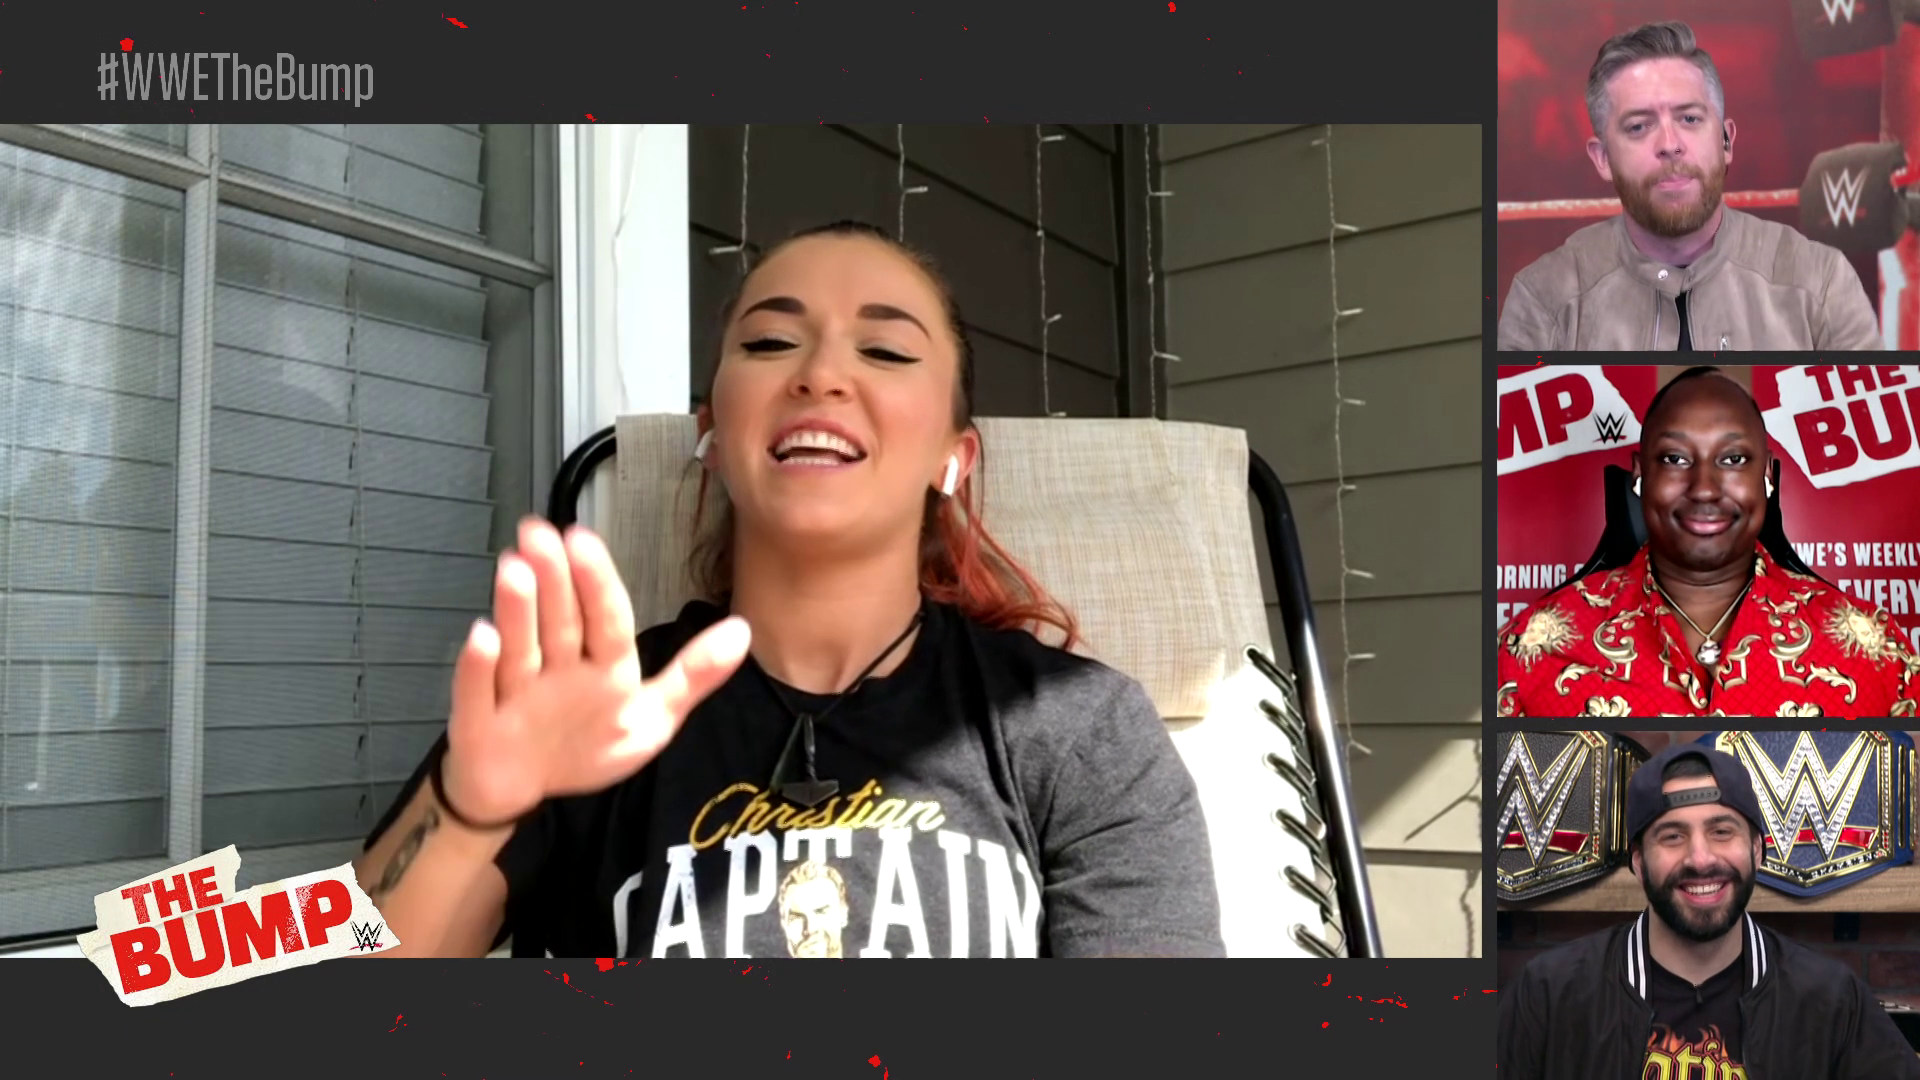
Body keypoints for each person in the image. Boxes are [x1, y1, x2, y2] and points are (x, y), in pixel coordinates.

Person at [351, 220, 1226, 959]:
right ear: (713, 436)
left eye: (885, 350)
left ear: (953, 458)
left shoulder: (1081, 728)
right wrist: (466, 808)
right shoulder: (579, 708)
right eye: (770, 343)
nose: (820, 376)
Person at [1496, 367, 1919, 717]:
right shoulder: (1527, 649)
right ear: (1640, 475)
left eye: (1733, 459)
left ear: (1767, 475)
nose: (1703, 489)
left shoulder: (1877, 650)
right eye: (1675, 459)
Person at [1497, 744, 1920, 1079]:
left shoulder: (1830, 999)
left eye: (1721, 832)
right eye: (1672, 836)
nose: (1700, 859)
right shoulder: (1550, 993)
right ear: (1639, 862)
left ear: (1756, 850)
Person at [1497, 22, 1882, 351]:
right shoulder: (1543, 300)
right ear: (1603, 159)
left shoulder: (1821, 281)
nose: (1670, 144)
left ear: (1726, 141)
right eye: (1638, 126)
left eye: (1690, 119)